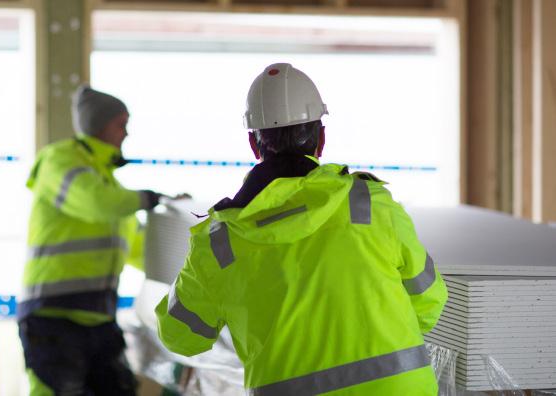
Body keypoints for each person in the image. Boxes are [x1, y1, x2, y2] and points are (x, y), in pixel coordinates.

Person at [156, 63, 447, 395]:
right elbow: (430, 300)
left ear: (254, 145)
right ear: (321, 138)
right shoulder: (370, 205)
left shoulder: (221, 245)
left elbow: (180, 336)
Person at [18, 85, 164, 395]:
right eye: (121, 124)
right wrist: (147, 198)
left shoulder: (110, 186)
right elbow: (94, 202)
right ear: (99, 125)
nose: (127, 134)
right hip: (52, 317)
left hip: (97, 320)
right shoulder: (60, 161)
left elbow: (142, 251)